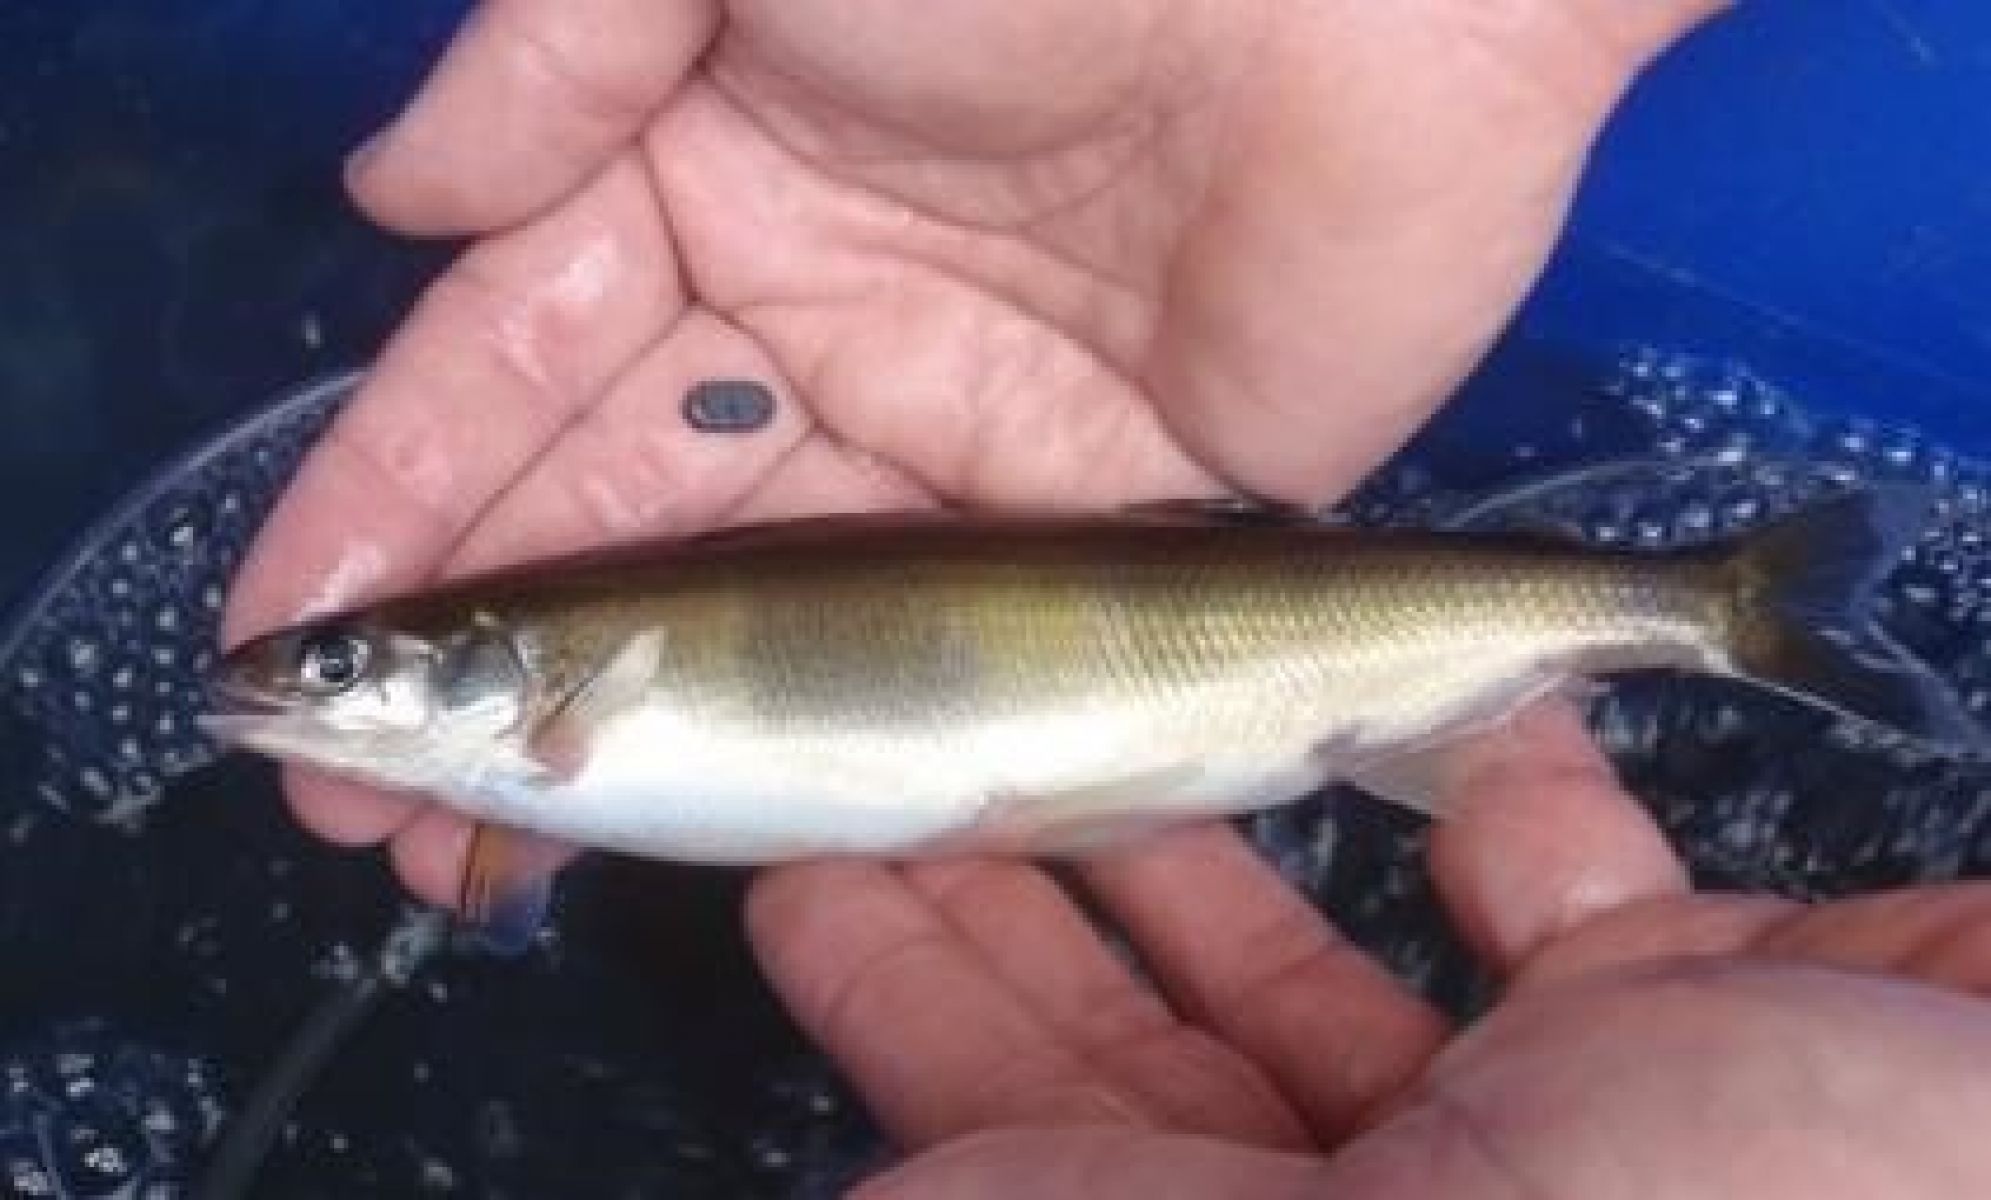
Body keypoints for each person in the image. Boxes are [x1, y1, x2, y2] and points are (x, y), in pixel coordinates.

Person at [225, 3, 1991, 1193]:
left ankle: (1721, 603)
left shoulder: (544, 717)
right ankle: (1725, 602)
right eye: (329, 660)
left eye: (338, 661)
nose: (295, 682)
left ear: (487, 666)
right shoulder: (524, 756)